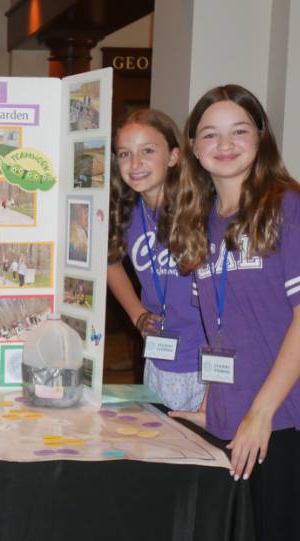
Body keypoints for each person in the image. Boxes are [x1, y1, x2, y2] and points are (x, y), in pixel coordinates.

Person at [170, 85, 300, 541]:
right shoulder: (202, 222)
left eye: (239, 130)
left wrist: (259, 414)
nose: (225, 144)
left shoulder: (289, 209)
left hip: (289, 415)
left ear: (260, 138)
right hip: (235, 415)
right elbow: (224, 326)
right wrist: (212, 403)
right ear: (194, 147)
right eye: (210, 133)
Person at [107, 108, 207, 411]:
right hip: (159, 361)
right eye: (125, 154)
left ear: (173, 156)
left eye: (147, 151)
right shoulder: (126, 214)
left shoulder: (202, 211)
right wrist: (137, 314)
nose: (135, 163)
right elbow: (109, 261)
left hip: (208, 367)